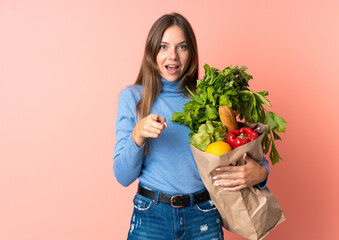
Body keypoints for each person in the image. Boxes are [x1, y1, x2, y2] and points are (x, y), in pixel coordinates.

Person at [113, 13, 269, 240]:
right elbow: (123, 176)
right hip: (151, 216)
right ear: (152, 51)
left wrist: (261, 174)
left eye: (182, 47)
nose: (172, 55)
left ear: (191, 53)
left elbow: (243, 152)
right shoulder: (133, 98)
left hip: (203, 214)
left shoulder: (208, 98)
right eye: (164, 46)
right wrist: (137, 136)